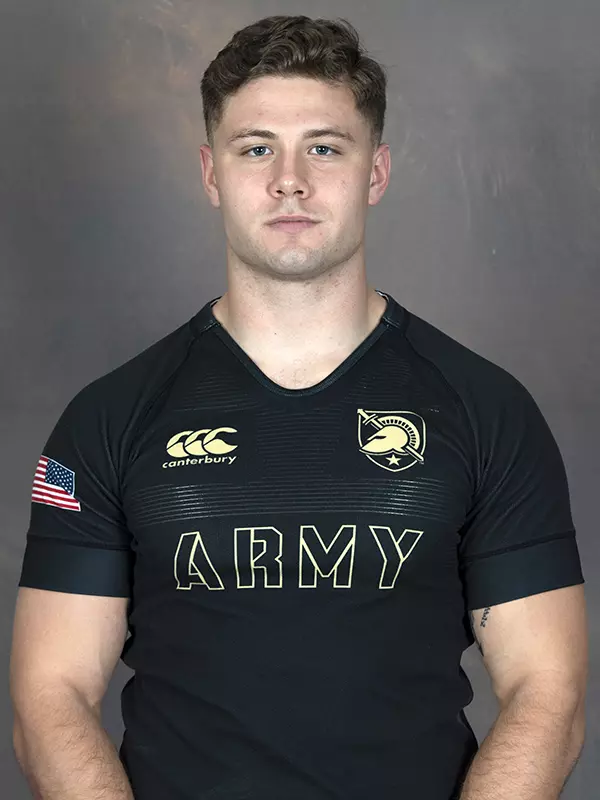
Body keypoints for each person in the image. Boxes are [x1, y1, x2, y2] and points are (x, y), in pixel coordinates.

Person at [9, 14, 587, 800]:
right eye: (256, 149)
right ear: (211, 173)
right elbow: (51, 696)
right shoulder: (107, 419)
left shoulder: (487, 410)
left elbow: (546, 692)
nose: (290, 180)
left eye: (324, 146)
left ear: (375, 172)